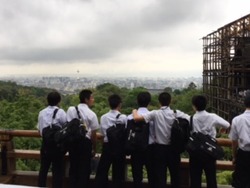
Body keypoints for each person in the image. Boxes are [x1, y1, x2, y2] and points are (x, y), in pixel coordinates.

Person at [133, 92, 189, 188]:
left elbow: (137, 119)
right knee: (175, 176)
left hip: (159, 149)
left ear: (159, 102)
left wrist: (134, 111)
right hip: (174, 149)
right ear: (170, 101)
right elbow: (191, 119)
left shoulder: (155, 113)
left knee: (160, 177)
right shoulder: (176, 113)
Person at [189, 95, 230, 188]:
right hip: (210, 152)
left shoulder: (191, 118)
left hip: (195, 152)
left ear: (194, 106)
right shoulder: (212, 116)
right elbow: (227, 125)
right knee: (211, 179)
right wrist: (222, 129)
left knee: (195, 180)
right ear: (205, 105)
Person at [66, 89, 99, 188]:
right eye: (92, 98)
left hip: (72, 142)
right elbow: (93, 134)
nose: (93, 99)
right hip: (85, 143)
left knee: (73, 167)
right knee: (84, 170)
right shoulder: (92, 114)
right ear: (86, 99)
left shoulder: (71, 109)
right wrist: (94, 148)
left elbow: (68, 125)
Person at [95, 94, 127, 188]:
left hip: (107, 146)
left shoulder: (104, 117)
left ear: (109, 104)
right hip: (119, 148)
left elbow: (102, 134)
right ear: (119, 104)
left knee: (102, 171)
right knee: (118, 173)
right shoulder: (123, 118)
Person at [37, 91, 67, 188]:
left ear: (47, 101)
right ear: (59, 101)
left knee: (43, 170)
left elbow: (40, 130)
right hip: (57, 146)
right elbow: (65, 128)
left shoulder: (41, 113)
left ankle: (41, 186)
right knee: (57, 171)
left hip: (45, 145)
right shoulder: (61, 112)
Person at [127, 91, 155, 188]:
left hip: (135, 148)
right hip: (150, 148)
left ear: (137, 101)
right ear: (149, 102)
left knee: (137, 176)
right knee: (152, 174)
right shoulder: (152, 116)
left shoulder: (130, 117)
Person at [229, 91, 250, 188]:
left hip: (243, 154)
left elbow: (234, 141)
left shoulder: (237, 119)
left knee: (241, 182)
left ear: (244, 103)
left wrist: (234, 157)